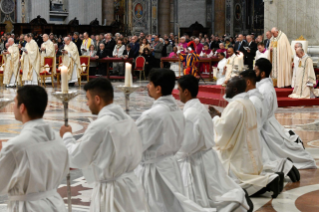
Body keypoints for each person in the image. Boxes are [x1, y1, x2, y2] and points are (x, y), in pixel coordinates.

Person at [60, 78, 148, 212]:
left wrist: (67, 137)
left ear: (97, 99)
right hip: (131, 187)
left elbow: (78, 158)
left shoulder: (100, 126)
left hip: (112, 192)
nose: (87, 103)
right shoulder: (128, 120)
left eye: (88, 99)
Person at [135, 69, 209, 212]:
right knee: (171, 205)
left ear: (158, 88)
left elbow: (135, 144)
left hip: (153, 172)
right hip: (171, 165)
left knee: (154, 205)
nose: (147, 87)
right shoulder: (177, 111)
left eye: (150, 84)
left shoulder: (152, 115)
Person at [176, 75, 250, 212]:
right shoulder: (200, 108)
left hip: (195, 161)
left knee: (202, 201)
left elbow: (187, 146)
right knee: (211, 194)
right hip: (205, 157)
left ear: (186, 92)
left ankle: (235, 203)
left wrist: (174, 155)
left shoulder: (190, 114)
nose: (177, 92)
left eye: (179, 89)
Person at [209, 77, 283, 198]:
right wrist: (220, 115)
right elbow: (235, 125)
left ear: (234, 89)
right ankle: (267, 180)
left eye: (227, 86)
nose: (225, 89)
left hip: (238, 159)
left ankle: (267, 182)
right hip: (250, 155)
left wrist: (214, 118)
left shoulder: (235, 105)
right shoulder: (247, 102)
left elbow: (224, 129)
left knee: (227, 183)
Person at [0, 86, 68, 212]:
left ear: (22, 108)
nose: (13, 106)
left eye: (15, 102)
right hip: (54, 203)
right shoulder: (57, 139)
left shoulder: (16, 146)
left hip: (27, 207)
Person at [255, 58, 317, 170]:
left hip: (264, 125)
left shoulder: (265, 89)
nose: (254, 73)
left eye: (256, 71)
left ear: (263, 73)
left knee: (278, 151)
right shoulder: (262, 85)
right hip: (265, 124)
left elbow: (263, 112)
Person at [240, 70, 300, 182]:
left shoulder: (254, 99)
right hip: (256, 134)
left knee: (253, 169)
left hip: (253, 137)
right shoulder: (254, 96)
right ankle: (283, 167)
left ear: (248, 82)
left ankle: (282, 167)